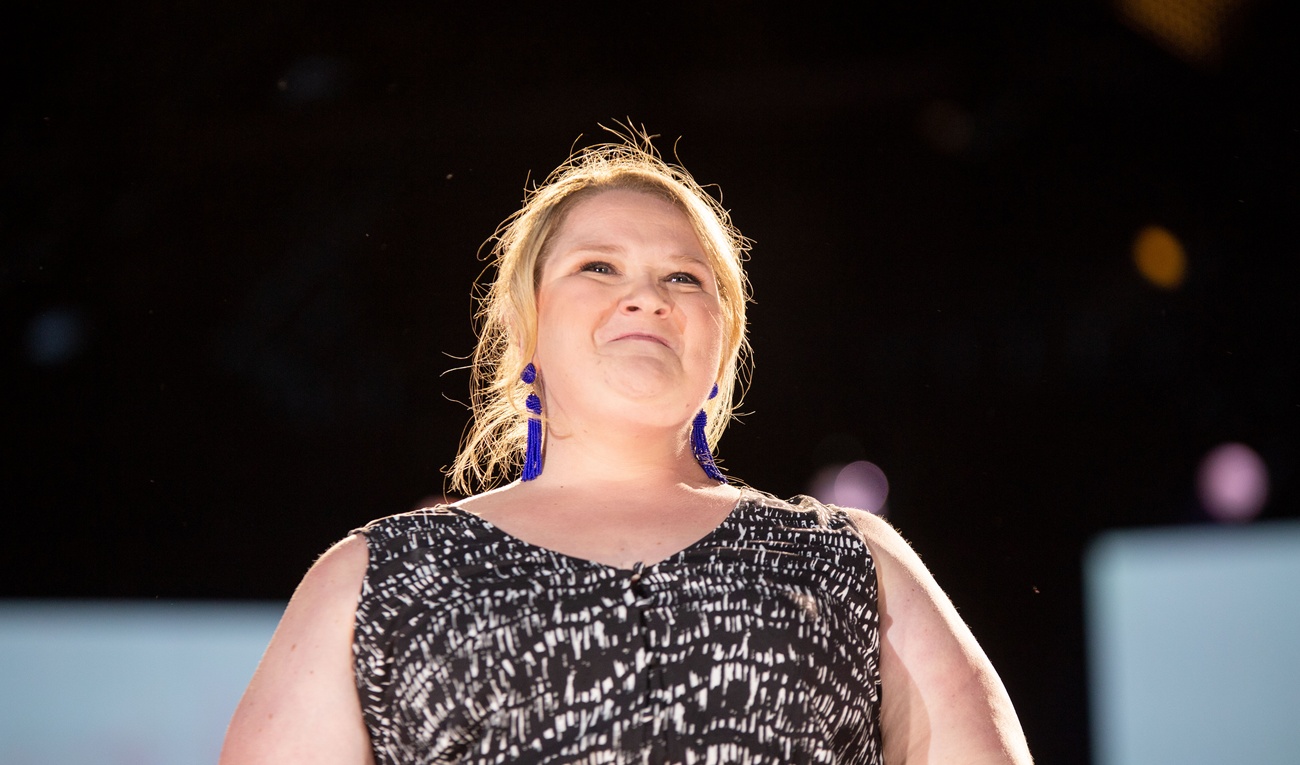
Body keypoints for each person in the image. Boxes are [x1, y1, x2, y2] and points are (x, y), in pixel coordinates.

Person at [220, 131, 1033, 764]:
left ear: (724, 342)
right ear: (526, 328)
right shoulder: (378, 576)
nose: (646, 295)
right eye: (599, 267)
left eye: (684, 278)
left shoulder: (850, 561)